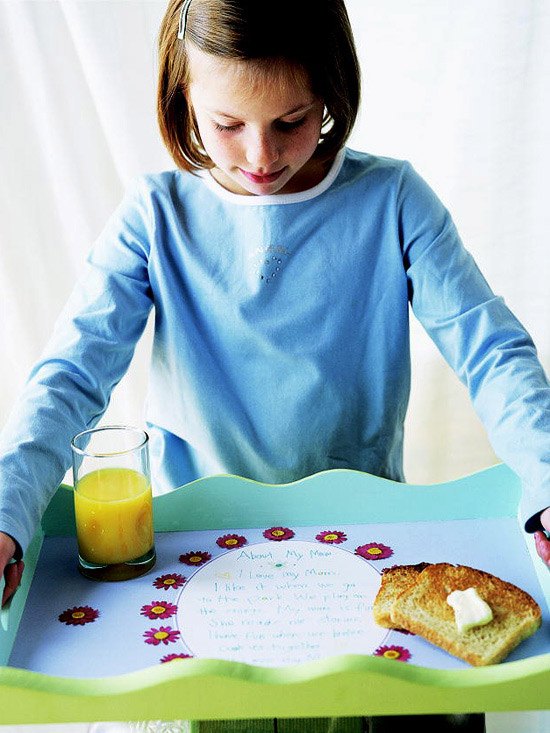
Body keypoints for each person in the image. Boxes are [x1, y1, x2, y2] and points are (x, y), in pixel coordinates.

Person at [1, 0, 549, 731]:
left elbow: (492, 352)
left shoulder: (392, 200)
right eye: (227, 125)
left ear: (331, 91)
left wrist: (546, 481)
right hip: (195, 568)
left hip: (362, 552)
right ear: (182, 99)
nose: (260, 156)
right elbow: (70, 377)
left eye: (291, 121)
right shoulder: (154, 216)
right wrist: (7, 513)